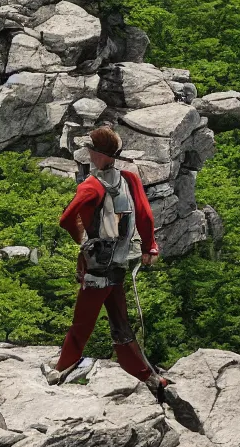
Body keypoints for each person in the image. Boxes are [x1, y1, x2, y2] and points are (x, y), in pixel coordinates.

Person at [44, 125, 170, 395]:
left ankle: (62, 368)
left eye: (90, 149)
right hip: (120, 263)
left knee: (82, 322)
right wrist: (150, 248)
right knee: (120, 322)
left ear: (98, 154)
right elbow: (146, 216)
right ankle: (148, 376)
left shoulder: (92, 185)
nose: (88, 152)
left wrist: (83, 241)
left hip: (97, 267)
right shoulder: (129, 179)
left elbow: (66, 219)